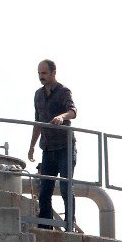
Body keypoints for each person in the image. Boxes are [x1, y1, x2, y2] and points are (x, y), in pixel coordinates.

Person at [28, 59, 77, 228]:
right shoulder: (38, 95)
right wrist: (32, 146)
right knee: (45, 190)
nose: (41, 77)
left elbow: (73, 111)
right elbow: (38, 122)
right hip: (47, 148)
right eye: (39, 73)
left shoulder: (63, 91)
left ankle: (69, 224)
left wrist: (62, 117)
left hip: (65, 146)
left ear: (53, 73)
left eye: (44, 73)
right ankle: (45, 226)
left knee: (65, 187)